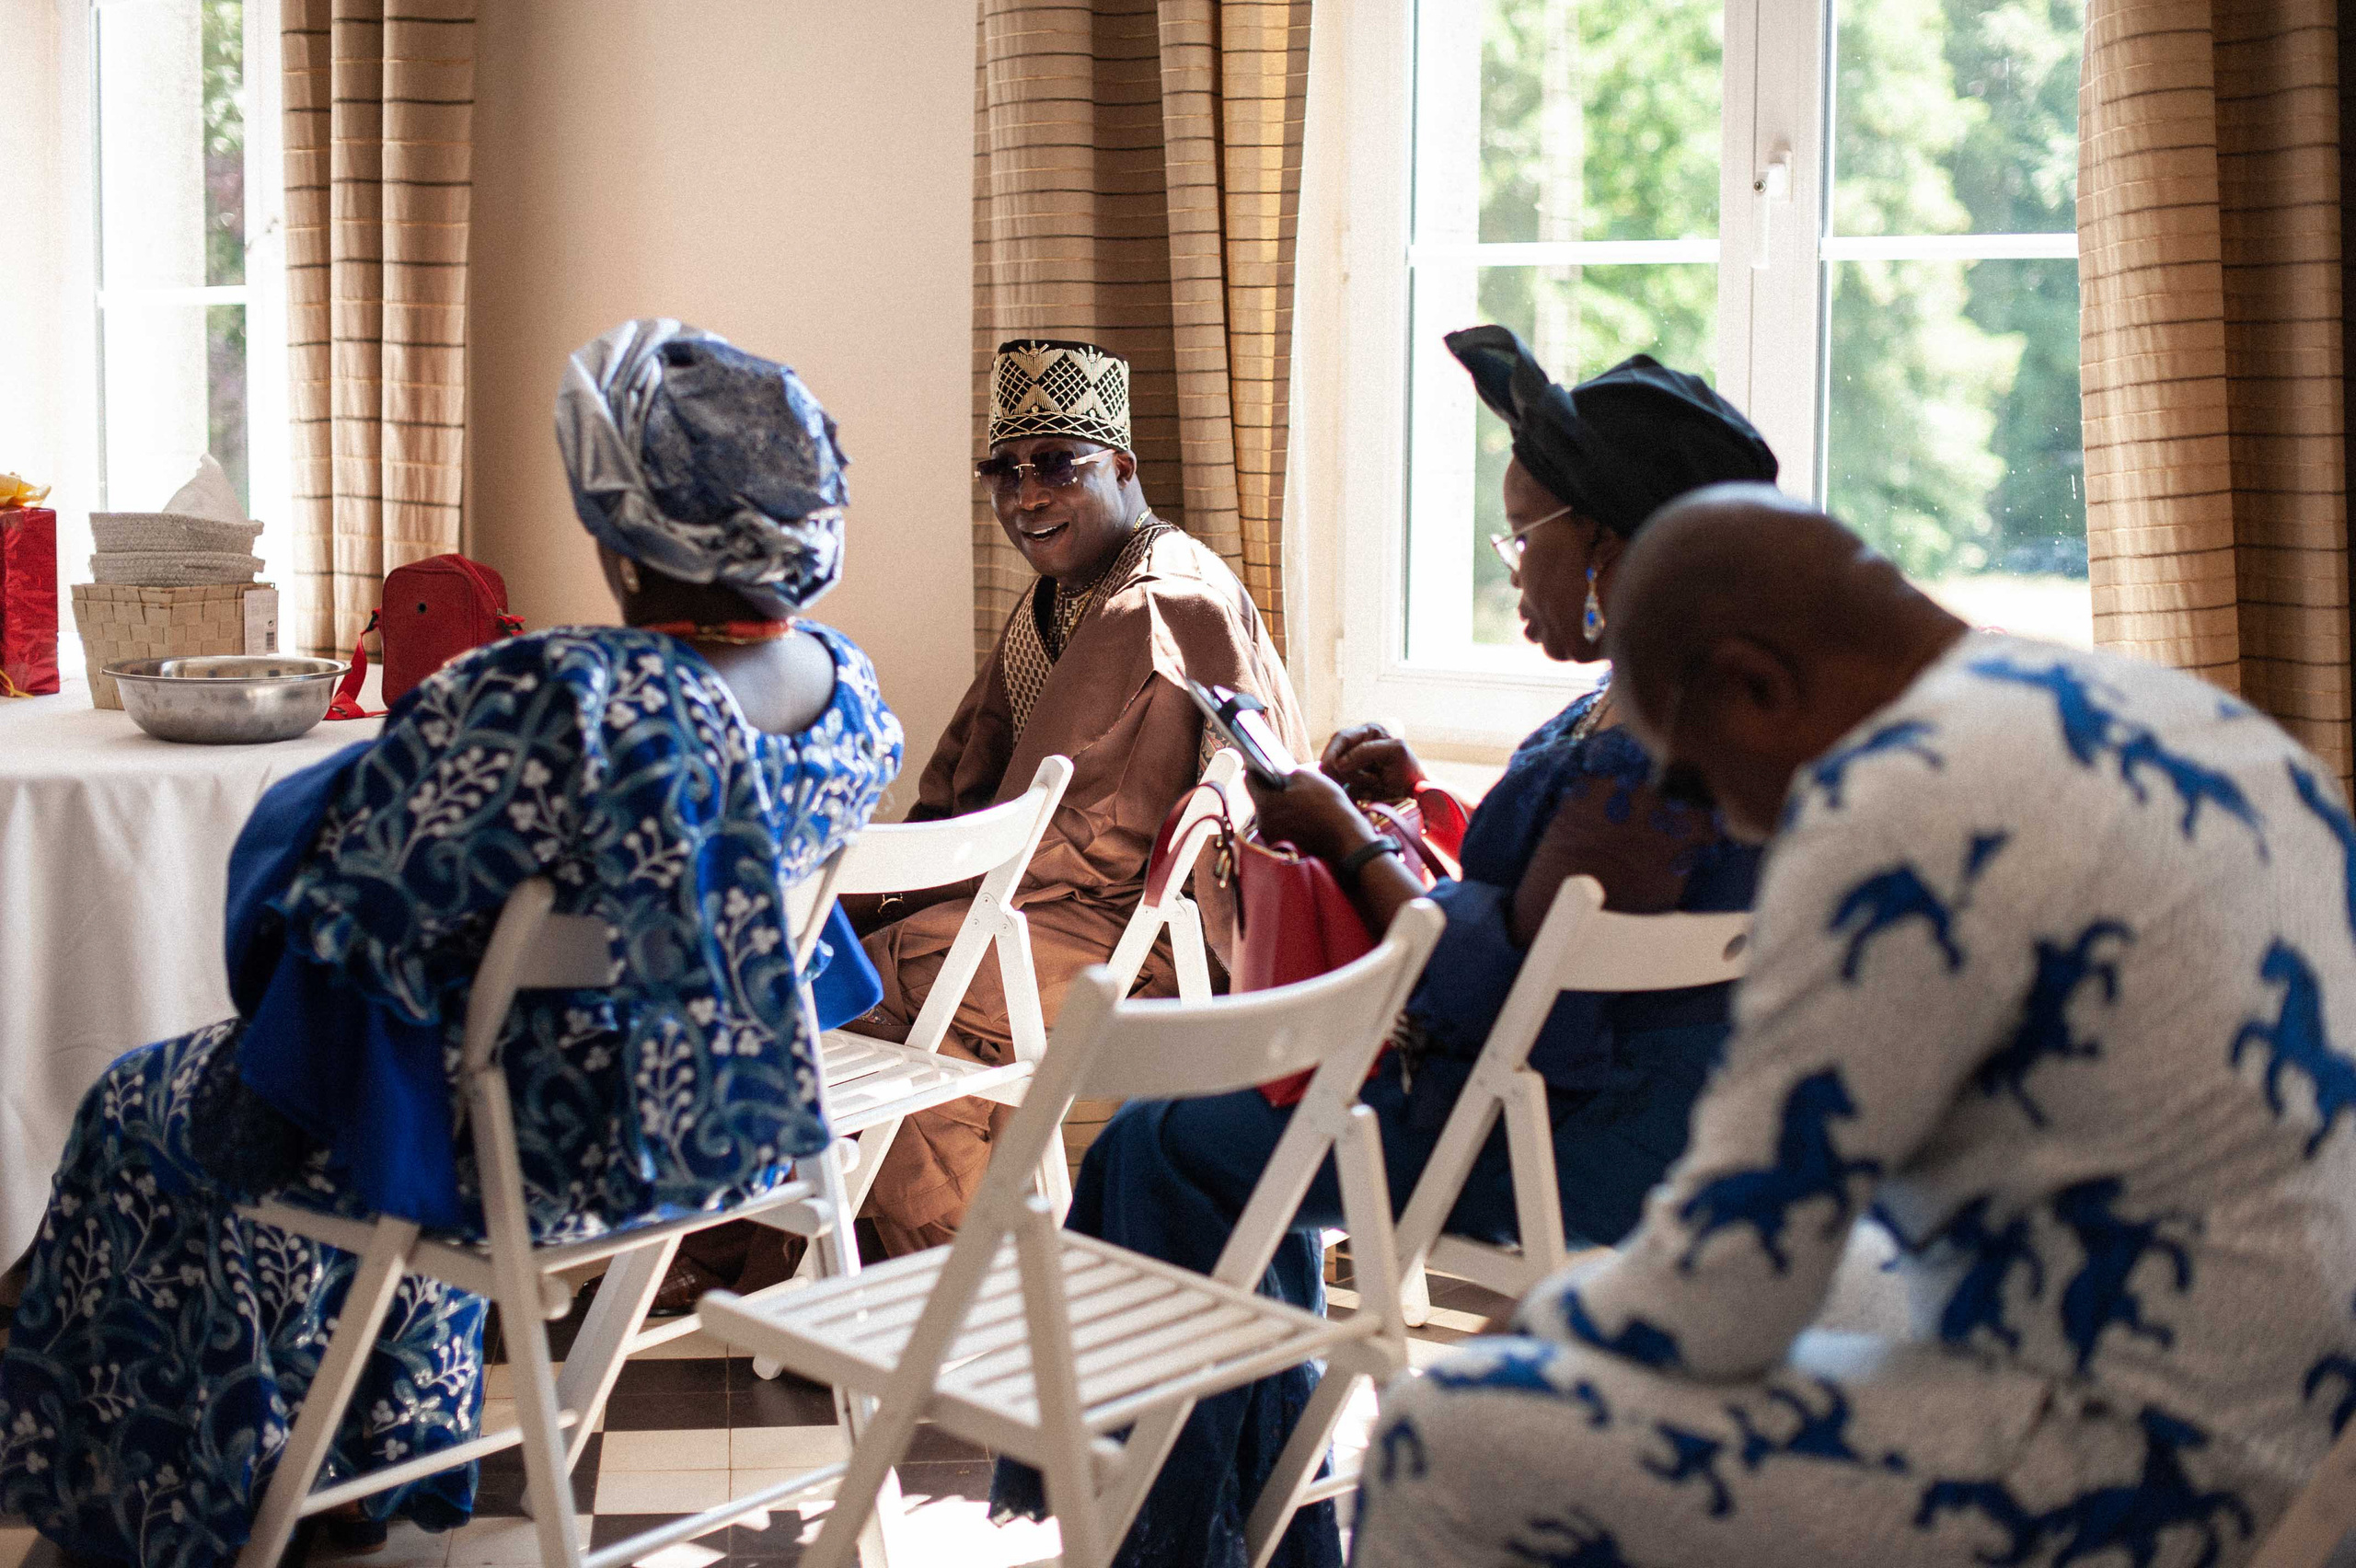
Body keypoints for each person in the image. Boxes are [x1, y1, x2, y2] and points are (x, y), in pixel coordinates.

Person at [0, 319, 903, 1568]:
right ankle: (362, 1466)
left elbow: (348, 907)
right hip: (718, 1130)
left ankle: (158, 1510)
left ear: (621, 530)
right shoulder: (848, 695)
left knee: (145, 1107)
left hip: (530, 1155)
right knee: (416, 1057)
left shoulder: (559, 702)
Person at [1349, 486, 2356, 1568]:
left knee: (1443, 1435)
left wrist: (1540, 1324)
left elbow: (1729, 1286)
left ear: (1753, 682)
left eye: (1692, 775)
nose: (1723, 820)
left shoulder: (1896, 798)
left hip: (2164, 1467)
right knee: (1842, 1268)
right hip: (2305, 1403)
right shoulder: (2178, 715)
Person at [992, 328, 1782, 1568]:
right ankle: (1263, 1531)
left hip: (1568, 1146)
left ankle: (1177, 1540)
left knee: (1160, 1148)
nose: (1515, 569)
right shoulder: (1702, 719)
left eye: (1527, 538)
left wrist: (1344, 837)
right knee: (1234, 1149)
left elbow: (1487, 982)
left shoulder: (1630, 758)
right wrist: (1404, 814)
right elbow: (1556, 931)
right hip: (1674, 1127)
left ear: (1620, 554)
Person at [845, 337, 1308, 1256]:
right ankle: (941, 1276)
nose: (1027, 497)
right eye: (1003, 473)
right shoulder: (1058, 601)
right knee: (862, 963)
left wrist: (888, 896)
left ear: (1123, 466)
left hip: (1152, 941)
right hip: (1054, 913)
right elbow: (963, 779)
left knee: (862, 987)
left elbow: (1056, 834)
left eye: (1057, 464)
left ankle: (958, 1300)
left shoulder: (1158, 601)